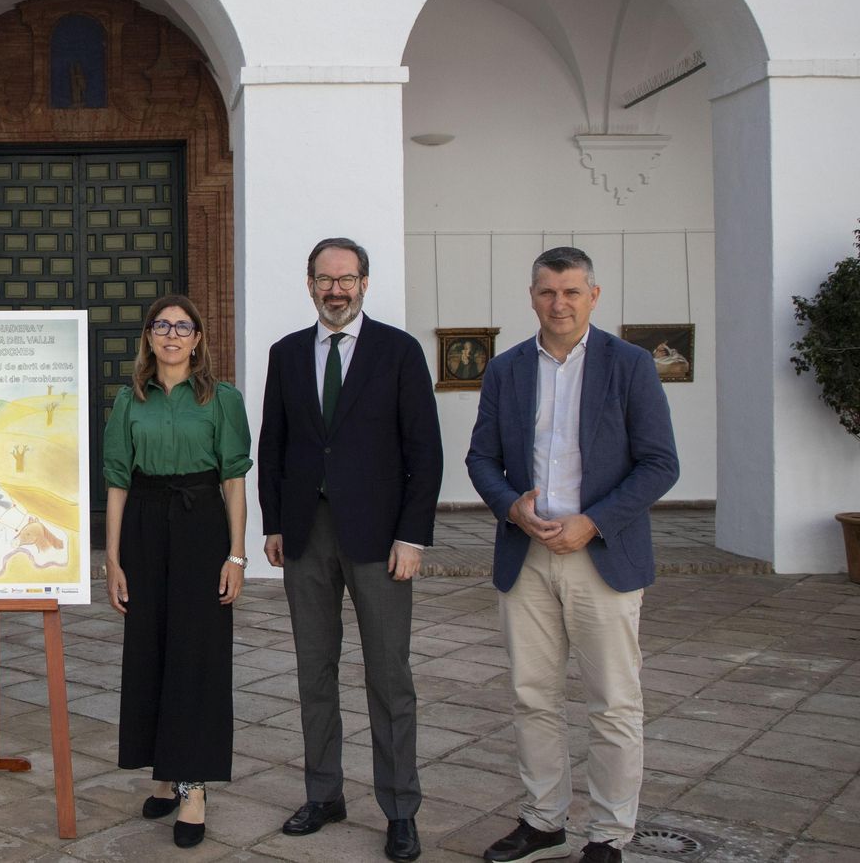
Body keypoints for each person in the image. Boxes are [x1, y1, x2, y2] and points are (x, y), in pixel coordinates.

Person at [466, 247, 678, 863]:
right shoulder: (505, 369)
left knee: (612, 700)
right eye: (546, 292)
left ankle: (610, 833)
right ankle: (543, 820)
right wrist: (512, 507)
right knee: (533, 695)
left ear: (594, 295)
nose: (558, 304)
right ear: (531, 295)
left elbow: (660, 463)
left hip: (602, 554)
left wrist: (593, 521)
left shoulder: (630, 365)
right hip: (526, 553)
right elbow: (481, 458)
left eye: (571, 292)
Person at [257, 237, 442, 862]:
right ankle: (324, 793)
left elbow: (425, 452)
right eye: (325, 279)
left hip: (380, 539)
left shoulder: (399, 351)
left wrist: (412, 536)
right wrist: (274, 523)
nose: (336, 289)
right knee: (315, 671)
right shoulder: (286, 354)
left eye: (347, 278)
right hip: (306, 536)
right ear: (309, 284)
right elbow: (274, 446)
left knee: (390, 678)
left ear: (365, 282)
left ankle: (399, 807)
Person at [102, 294, 251, 850]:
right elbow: (117, 480)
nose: (171, 335)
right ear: (147, 336)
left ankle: (193, 787)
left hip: (200, 527)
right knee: (149, 649)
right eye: (161, 326)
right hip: (143, 526)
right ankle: (162, 771)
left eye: (182, 327)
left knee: (197, 653)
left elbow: (234, 480)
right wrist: (113, 559)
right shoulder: (128, 401)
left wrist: (235, 555)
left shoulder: (222, 399)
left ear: (197, 338)